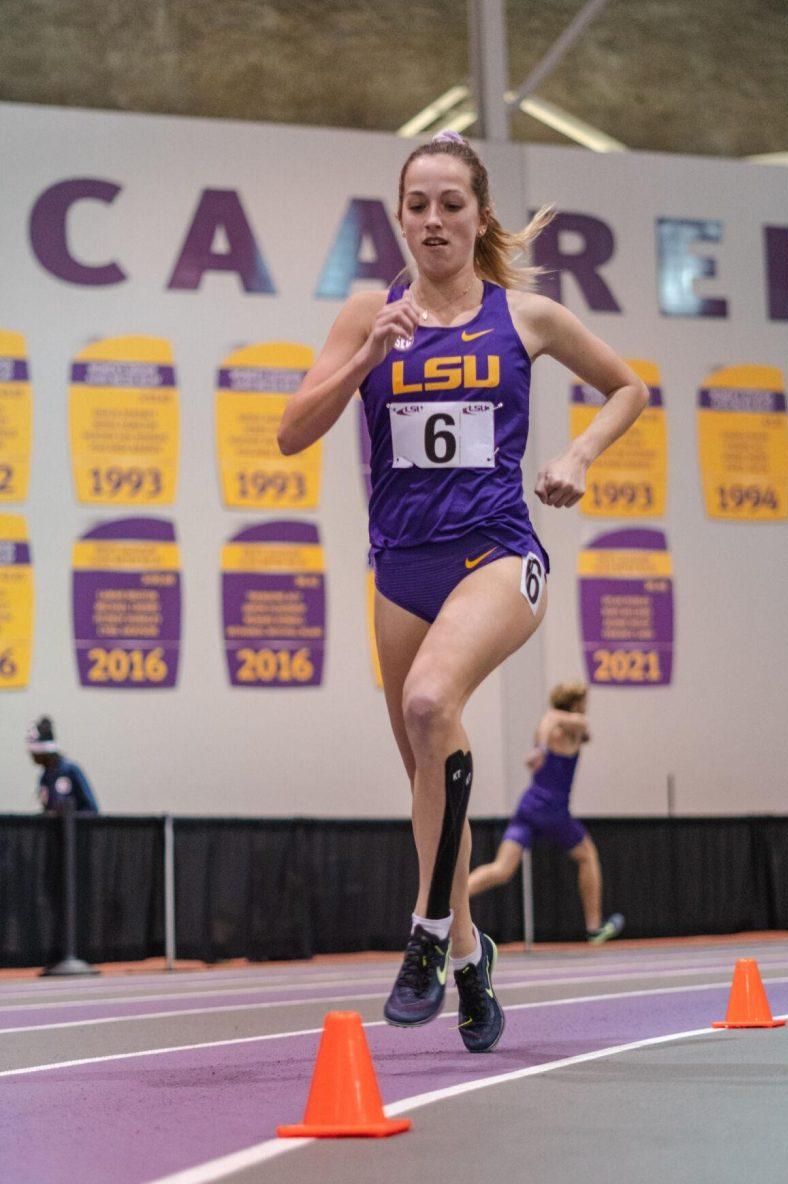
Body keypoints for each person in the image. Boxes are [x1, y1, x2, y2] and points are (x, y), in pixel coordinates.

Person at [278, 131, 647, 1052]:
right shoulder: (367, 312)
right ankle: (477, 955)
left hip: (496, 557)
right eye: (418, 204)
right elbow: (291, 433)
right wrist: (367, 354)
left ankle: (429, 937)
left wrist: (575, 455)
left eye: (452, 203)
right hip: (399, 566)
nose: (434, 220)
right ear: (398, 218)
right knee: (425, 771)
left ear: (481, 216)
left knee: (431, 697)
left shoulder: (527, 317)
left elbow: (628, 387)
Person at [468, 681, 624, 944]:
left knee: (502, 869)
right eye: (584, 702)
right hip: (552, 809)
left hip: (528, 806)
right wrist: (540, 749)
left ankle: (447, 903)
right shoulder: (565, 723)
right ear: (575, 703)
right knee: (588, 856)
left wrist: (544, 745)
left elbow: (562, 725)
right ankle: (594, 927)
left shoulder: (561, 729)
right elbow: (556, 719)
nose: (587, 707)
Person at [27, 716, 99, 813]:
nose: (32, 756)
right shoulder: (44, 778)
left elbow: (92, 809)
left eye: (34, 753)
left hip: (76, 826)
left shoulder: (71, 771)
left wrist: (71, 818)